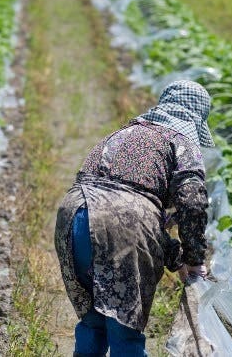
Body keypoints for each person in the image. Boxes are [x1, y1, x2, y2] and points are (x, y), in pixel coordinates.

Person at [54, 80, 213, 356]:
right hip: (121, 225)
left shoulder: (126, 133)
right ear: (196, 118)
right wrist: (194, 259)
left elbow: (140, 218)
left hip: (73, 215)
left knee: (94, 321)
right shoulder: (181, 141)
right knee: (123, 329)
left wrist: (177, 259)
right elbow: (192, 202)